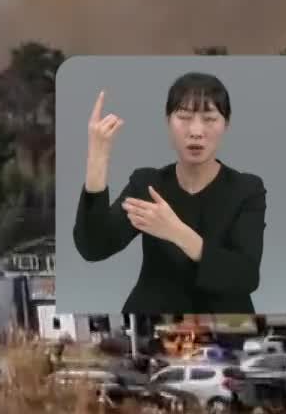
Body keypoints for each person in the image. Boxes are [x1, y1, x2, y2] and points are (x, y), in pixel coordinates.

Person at [72, 72, 266, 315]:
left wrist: (177, 232)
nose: (196, 131)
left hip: (226, 331)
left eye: (209, 118)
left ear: (226, 124)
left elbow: (245, 277)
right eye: (184, 117)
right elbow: (94, 247)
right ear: (168, 122)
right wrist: (97, 160)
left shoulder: (246, 189)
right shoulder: (148, 184)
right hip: (152, 328)